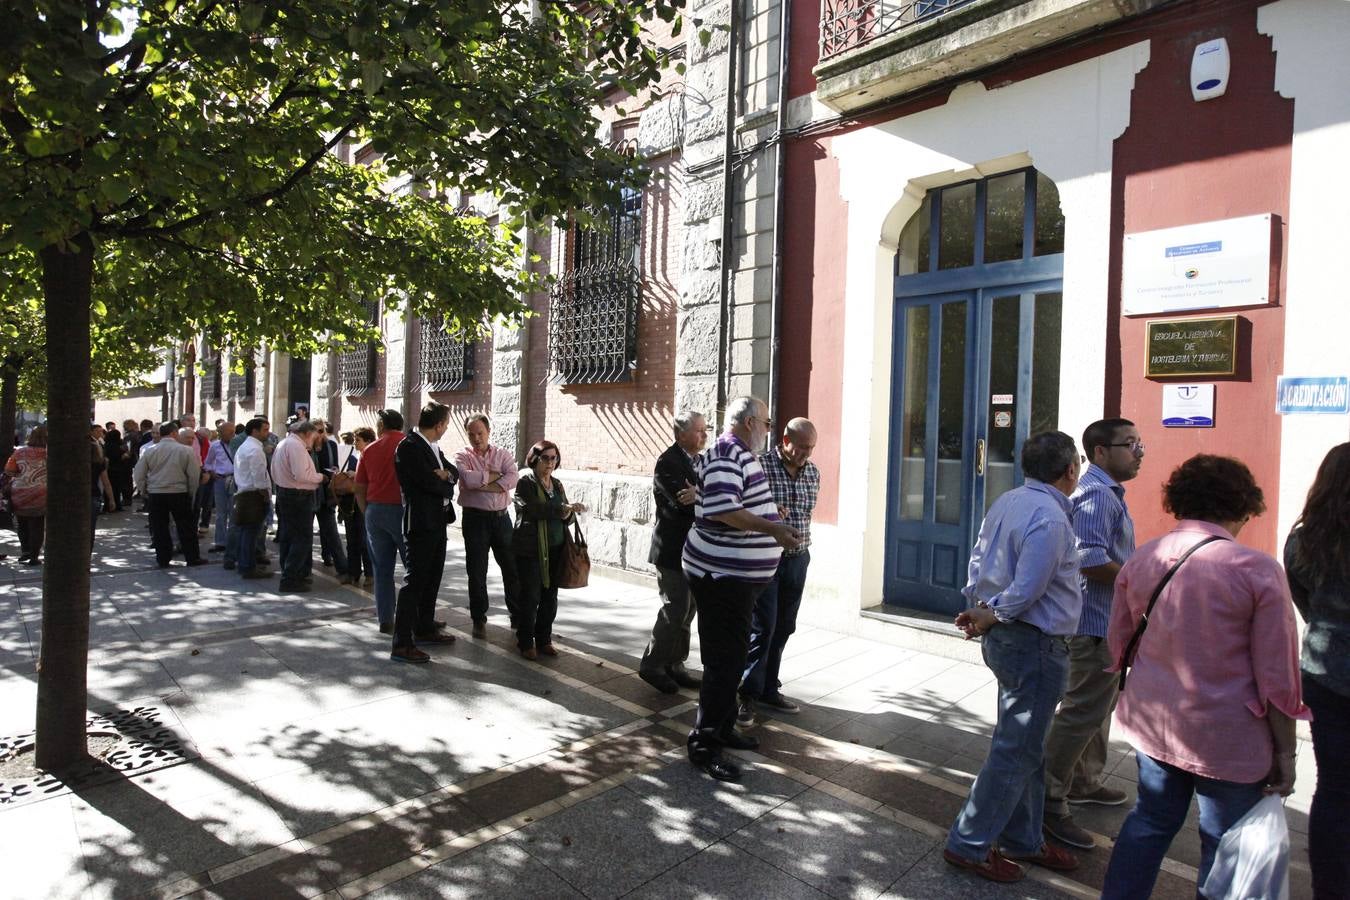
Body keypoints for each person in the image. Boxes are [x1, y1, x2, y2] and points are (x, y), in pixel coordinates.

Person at [1101, 455, 1307, 898]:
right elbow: (1278, 678)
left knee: (1150, 821)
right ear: (1242, 506)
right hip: (1227, 736)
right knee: (1223, 840)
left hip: (1155, 722)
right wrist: (1286, 753)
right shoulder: (1256, 569)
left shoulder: (1144, 557)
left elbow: (1118, 642)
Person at [944, 431, 1083, 884]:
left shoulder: (1010, 501)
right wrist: (990, 614)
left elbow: (979, 559)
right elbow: (1028, 587)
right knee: (1017, 748)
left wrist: (978, 605)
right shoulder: (1052, 518)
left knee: (1027, 745)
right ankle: (969, 844)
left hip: (1014, 638)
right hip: (1032, 643)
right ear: (1070, 471)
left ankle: (1023, 837)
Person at [683, 396, 801, 783]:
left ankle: (722, 727)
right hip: (720, 578)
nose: (769, 431)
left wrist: (769, 514)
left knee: (732, 658)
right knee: (725, 662)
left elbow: (731, 502)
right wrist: (774, 529)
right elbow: (722, 510)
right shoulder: (725, 454)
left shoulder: (734, 453)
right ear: (750, 422)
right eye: (766, 423)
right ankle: (704, 745)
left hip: (734, 578)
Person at [1041, 418, 1142, 849]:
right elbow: (1091, 559)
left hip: (1107, 624)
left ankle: (1083, 781)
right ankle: (1046, 800)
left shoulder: (1107, 493)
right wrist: (1138, 581)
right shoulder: (1098, 496)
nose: (1138, 451)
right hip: (1092, 626)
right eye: (1130, 444)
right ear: (1099, 452)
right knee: (1081, 713)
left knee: (1099, 710)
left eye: (1140, 444)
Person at [1284, 442, 1350, 899]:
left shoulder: (1305, 537)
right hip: (1330, 672)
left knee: (1333, 789)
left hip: (1327, 674)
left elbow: (1302, 597)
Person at [738, 417, 819, 724]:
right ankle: (747, 695)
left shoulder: (813, 472)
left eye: (811, 448)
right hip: (766, 558)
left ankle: (770, 688)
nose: (806, 454)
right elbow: (743, 508)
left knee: (785, 626)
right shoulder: (760, 465)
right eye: (801, 447)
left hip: (799, 558)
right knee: (764, 627)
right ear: (785, 440)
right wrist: (769, 512)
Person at [638, 412, 708, 693]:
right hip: (671, 550)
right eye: (699, 430)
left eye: (706, 429)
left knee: (689, 609)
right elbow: (684, 502)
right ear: (681, 434)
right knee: (675, 606)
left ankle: (675, 663)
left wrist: (701, 492)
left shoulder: (700, 461)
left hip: (693, 550)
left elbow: (703, 497)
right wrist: (704, 495)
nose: (704, 435)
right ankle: (652, 664)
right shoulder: (669, 462)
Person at [390, 402, 459, 663]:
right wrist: (441, 481)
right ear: (439, 425)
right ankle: (402, 643)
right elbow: (425, 483)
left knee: (433, 577)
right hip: (419, 522)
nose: (446, 428)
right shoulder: (409, 446)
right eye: (446, 424)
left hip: (438, 520)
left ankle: (425, 626)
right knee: (415, 582)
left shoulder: (434, 447)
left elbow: (455, 473)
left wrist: (445, 477)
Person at [512, 440, 585, 660]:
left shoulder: (558, 485)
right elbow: (534, 509)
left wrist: (572, 511)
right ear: (535, 459)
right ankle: (525, 641)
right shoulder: (526, 483)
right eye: (545, 458)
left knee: (550, 597)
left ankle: (544, 639)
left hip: (557, 548)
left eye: (554, 458)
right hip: (530, 549)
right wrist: (561, 509)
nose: (550, 463)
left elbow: (565, 516)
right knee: (531, 595)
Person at [453, 414, 521, 638]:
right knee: (476, 570)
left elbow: (513, 478)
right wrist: (494, 479)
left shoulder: (502, 454)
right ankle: (478, 618)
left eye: (480, 433)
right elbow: (466, 479)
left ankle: (518, 615)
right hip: (475, 520)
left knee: (511, 568)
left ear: (489, 431)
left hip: (501, 519)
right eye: (471, 434)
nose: (476, 438)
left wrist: (481, 482)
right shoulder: (462, 455)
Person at [355, 409, 408, 632]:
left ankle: (385, 619)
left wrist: (367, 510)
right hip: (404, 511)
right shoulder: (408, 445)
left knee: (381, 569)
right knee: (413, 567)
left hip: (375, 511)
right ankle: (416, 617)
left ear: (381, 425)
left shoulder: (369, 450)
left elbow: (359, 488)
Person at [133, 423, 207, 568]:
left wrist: (144, 490)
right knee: (186, 527)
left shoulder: (150, 450)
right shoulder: (185, 450)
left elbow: (139, 473)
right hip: (178, 492)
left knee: (160, 527)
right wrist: (191, 492)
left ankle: (163, 559)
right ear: (174, 433)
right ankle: (192, 557)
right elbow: (193, 475)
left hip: (156, 493)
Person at [271, 419, 325, 592]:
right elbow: (301, 475)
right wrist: (321, 478)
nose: (313, 442)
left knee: (289, 535)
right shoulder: (295, 446)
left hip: (287, 493)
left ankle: (292, 573)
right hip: (297, 496)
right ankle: (290, 578)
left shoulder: (285, 443)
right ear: (308, 433)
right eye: (314, 437)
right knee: (302, 537)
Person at [229, 418, 272, 579]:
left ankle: (245, 564)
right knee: (250, 533)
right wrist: (265, 494)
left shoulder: (246, 447)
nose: (267, 433)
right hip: (253, 494)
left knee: (246, 533)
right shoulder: (254, 450)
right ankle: (248, 567)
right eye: (265, 430)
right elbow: (259, 475)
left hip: (245, 492)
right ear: (255, 431)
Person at [309, 419, 348, 579]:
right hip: (310, 493)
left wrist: (334, 471)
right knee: (306, 532)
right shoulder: (306, 446)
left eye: (321, 430)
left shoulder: (330, 446)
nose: (319, 434)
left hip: (327, 494)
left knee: (331, 531)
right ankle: (305, 566)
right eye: (316, 431)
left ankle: (340, 565)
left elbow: (335, 466)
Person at [6, 425, 48, 565]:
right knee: (37, 524)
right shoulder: (49, 453)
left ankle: (25, 551)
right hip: (41, 491)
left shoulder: (19, 452)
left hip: (19, 491)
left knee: (22, 522)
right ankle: (34, 556)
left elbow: (9, 471)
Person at [341, 427, 374, 588]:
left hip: (365, 503)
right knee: (352, 540)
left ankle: (369, 573)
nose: (355, 443)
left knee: (364, 541)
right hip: (351, 503)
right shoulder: (355, 455)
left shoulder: (372, 456)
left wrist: (356, 475)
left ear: (368, 441)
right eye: (354, 439)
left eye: (358, 440)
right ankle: (352, 572)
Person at [203, 422, 236, 553]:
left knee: (234, 512)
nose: (231, 435)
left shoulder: (238, 444)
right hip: (220, 480)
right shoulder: (215, 446)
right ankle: (220, 542)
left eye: (232, 432)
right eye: (227, 432)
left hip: (234, 479)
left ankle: (233, 541)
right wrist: (211, 472)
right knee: (221, 513)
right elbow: (208, 462)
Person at [89, 424, 115, 546]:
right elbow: (106, 482)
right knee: (90, 528)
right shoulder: (99, 463)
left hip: (80, 497)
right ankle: (87, 553)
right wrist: (111, 500)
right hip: (93, 495)